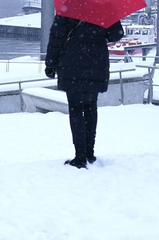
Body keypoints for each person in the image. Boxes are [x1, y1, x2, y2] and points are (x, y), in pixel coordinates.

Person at [44, 15, 124, 168]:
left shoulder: (67, 9)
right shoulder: (103, 8)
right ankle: (89, 153)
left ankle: (80, 156)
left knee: (75, 108)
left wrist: (50, 64)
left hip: (72, 63)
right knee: (91, 107)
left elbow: (56, 38)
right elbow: (116, 34)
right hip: (96, 63)